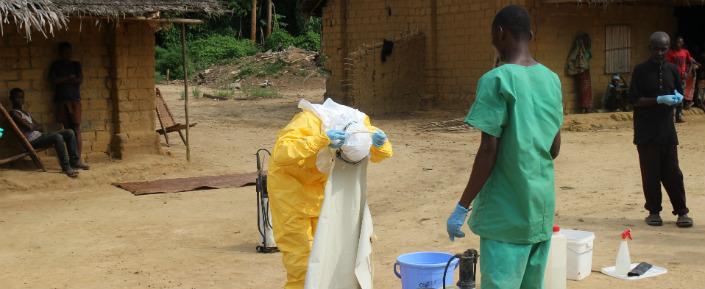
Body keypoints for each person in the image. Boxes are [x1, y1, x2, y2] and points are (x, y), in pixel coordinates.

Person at [446, 5, 563, 289]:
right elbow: (555, 147)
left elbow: (489, 149)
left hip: (506, 212)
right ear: (530, 35)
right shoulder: (551, 79)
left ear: (499, 33)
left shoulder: (495, 79)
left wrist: (462, 206)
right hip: (540, 208)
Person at [267, 101, 393, 289]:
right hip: (290, 193)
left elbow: (382, 153)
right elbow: (281, 152)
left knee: (327, 257)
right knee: (302, 265)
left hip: (323, 193)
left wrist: (380, 145)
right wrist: (321, 139)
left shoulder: (359, 124)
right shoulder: (308, 121)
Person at [630, 32, 693, 228]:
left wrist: (677, 97)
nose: (659, 52)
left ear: (668, 49)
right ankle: (654, 211)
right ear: (650, 48)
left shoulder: (673, 69)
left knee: (673, 173)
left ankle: (682, 212)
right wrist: (657, 100)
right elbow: (634, 100)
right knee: (650, 173)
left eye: (663, 49)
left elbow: (679, 92)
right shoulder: (640, 71)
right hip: (646, 131)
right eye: (656, 48)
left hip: (666, 130)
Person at [9, 88, 89, 178]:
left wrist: (33, 126)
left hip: (40, 136)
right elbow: (30, 127)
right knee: (57, 137)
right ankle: (66, 167)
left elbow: (40, 127)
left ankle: (74, 162)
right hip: (31, 141)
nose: (20, 100)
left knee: (69, 132)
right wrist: (33, 126)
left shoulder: (25, 113)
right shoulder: (13, 113)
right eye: (17, 98)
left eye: (22, 97)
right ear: (11, 98)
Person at [49, 42, 84, 157]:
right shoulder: (56, 65)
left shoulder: (76, 64)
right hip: (62, 101)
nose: (67, 54)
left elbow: (79, 80)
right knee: (68, 130)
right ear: (60, 53)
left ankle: (78, 157)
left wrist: (62, 80)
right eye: (65, 51)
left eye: (69, 51)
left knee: (77, 128)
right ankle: (72, 157)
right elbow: (54, 81)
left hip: (75, 100)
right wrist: (68, 78)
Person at [666, 36, 700, 122]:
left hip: (682, 79)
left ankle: (679, 116)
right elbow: (667, 66)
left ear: (682, 43)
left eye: (680, 42)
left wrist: (687, 72)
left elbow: (690, 62)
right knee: (672, 96)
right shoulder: (670, 53)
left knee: (680, 97)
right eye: (677, 42)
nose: (678, 44)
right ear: (674, 43)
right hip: (672, 78)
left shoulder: (685, 52)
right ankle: (671, 117)